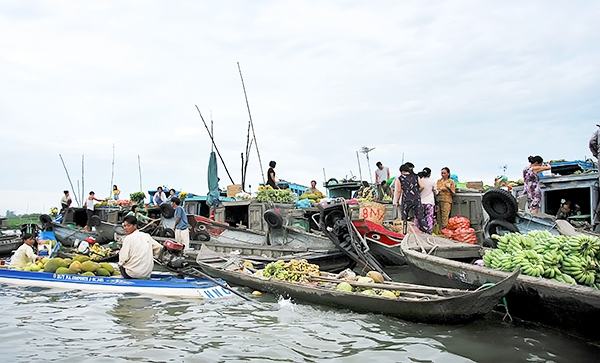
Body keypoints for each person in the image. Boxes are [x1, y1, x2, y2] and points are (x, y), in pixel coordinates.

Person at [394, 163, 425, 234]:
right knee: (420, 217)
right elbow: (422, 186)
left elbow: (398, 191)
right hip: (416, 199)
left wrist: (397, 201)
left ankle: (404, 233)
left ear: (401, 171)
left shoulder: (400, 178)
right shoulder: (416, 176)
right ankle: (426, 232)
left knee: (404, 217)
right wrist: (416, 192)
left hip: (406, 199)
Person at [417, 167, 436, 233]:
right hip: (429, 202)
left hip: (420, 202)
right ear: (430, 174)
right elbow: (436, 191)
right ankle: (429, 230)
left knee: (419, 217)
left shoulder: (420, 180)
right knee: (429, 217)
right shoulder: (432, 181)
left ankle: (418, 230)